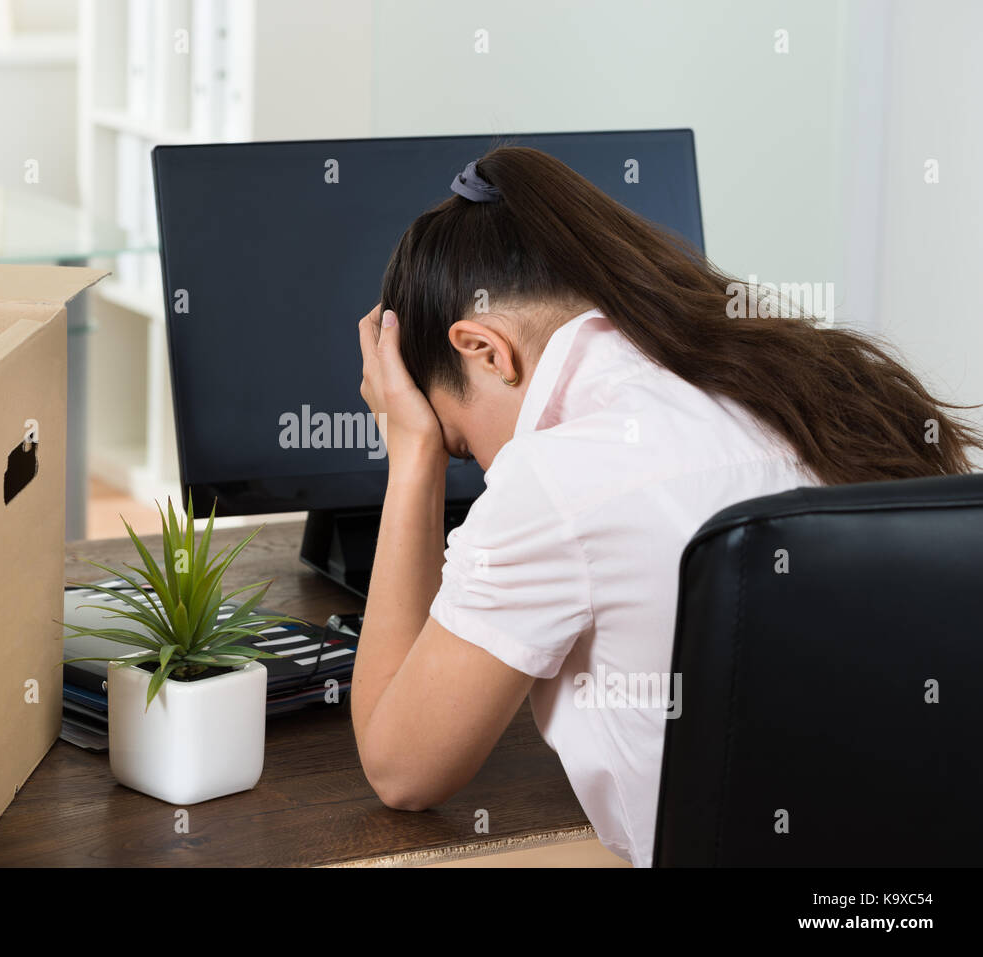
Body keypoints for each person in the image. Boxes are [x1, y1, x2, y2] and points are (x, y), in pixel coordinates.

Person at [351, 145, 981, 867]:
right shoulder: (831, 384)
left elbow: (402, 768)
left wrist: (412, 457)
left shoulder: (555, 476)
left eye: (461, 443)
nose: (477, 467)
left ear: (487, 349)